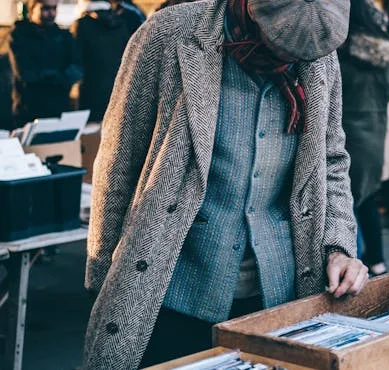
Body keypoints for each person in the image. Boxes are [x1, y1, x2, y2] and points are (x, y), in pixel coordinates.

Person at [82, 0, 368, 367]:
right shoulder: (168, 34)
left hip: (278, 297)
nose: (291, 63)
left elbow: (331, 162)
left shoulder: (317, 57)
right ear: (252, 11)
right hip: (169, 288)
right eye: (280, 47)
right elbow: (118, 158)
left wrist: (338, 247)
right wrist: (103, 278)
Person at [339, 0, 389, 275]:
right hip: (376, 130)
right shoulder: (384, 55)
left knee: (343, 201)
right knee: (366, 197)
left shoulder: (341, 53)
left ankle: (356, 260)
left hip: (346, 131)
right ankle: (376, 260)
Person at [8, 0, 82, 127]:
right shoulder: (19, 35)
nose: (51, 13)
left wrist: (48, 76)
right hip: (29, 112)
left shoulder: (64, 36)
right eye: (45, 9)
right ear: (32, 9)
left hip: (59, 109)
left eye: (54, 8)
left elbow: (77, 70)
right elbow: (25, 73)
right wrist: (58, 77)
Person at [71, 0, 132, 123]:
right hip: (117, 92)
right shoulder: (121, 24)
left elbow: (75, 61)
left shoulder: (82, 25)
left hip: (90, 93)